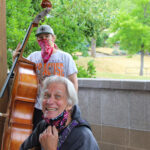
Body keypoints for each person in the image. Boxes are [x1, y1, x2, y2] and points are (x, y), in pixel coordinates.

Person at [13, 25, 78, 129]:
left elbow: (73, 82)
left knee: (59, 139)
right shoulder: (33, 56)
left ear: (53, 38)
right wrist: (15, 60)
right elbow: (21, 74)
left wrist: (70, 105)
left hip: (59, 107)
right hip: (39, 108)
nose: (44, 39)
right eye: (40, 37)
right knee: (39, 139)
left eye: (47, 36)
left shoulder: (65, 57)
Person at [20, 75, 100, 150]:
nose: (49, 101)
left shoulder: (83, 137)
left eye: (57, 96)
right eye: (46, 95)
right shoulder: (43, 126)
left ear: (69, 104)